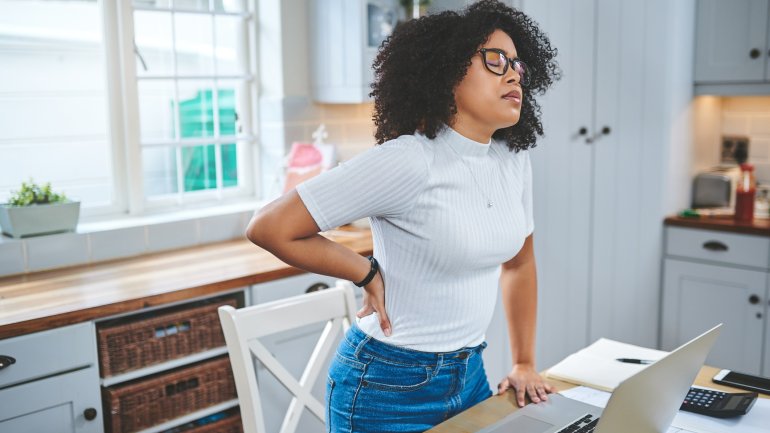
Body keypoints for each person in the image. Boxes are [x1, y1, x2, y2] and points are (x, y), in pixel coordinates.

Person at [245, 1, 560, 431]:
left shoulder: (512, 158)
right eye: (494, 59)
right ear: (446, 72)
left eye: (517, 64)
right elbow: (269, 227)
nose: (512, 74)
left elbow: (520, 264)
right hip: (386, 389)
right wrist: (364, 270)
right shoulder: (409, 160)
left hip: (468, 376)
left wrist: (524, 362)